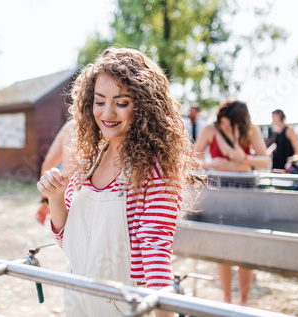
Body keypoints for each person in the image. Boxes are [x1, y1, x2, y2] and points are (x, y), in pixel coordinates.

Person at [37, 47, 195, 317]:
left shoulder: (155, 168)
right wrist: (55, 196)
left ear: (144, 106)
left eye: (121, 103)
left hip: (125, 304)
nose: (107, 113)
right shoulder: (90, 159)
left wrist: (164, 313)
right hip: (77, 296)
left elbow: (155, 247)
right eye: (100, 102)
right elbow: (71, 244)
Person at [194, 100, 271, 305]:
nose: (225, 126)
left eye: (230, 124)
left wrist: (244, 159)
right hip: (220, 191)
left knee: (247, 246)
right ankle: (226, 298)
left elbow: (265, 161)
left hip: (246, 190)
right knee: (223, 245)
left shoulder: (250, 131)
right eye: (223, 122)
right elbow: (191, 159)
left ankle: (243, 301)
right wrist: (211, 164)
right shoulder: (210, 130)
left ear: (241, 122)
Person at [35, 119, 76, 225]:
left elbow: (48, 164)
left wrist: (45, 202)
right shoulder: (109, 126)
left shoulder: (70, 126)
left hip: (70, 199)